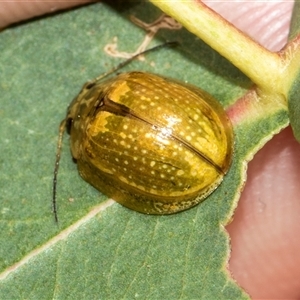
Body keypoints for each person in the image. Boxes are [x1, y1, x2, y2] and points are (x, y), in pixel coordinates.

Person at [2, 1, 299, 298]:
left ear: (73, 131)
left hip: (197, 158)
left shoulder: (90, 148)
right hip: (205, 140)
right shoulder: (123, 84)